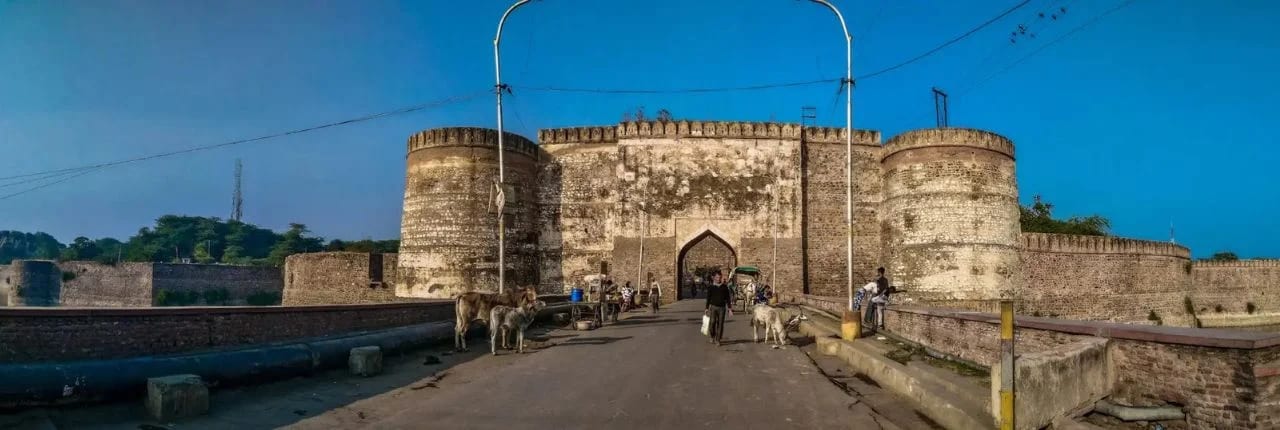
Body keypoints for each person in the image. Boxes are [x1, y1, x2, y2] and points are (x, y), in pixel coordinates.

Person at [704, 271, 732, 346]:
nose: (718, 279)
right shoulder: (711, 287)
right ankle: (712, 336)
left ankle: (718, 339)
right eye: (717, 277)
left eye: (719, 277)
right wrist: (706, 308)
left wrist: (729, 308)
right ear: (714, 278)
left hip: (722, 308)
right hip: (713, 307)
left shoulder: (724, 287)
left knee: (720, 324)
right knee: (712, 322)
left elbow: (728, 298)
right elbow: (708, 298)